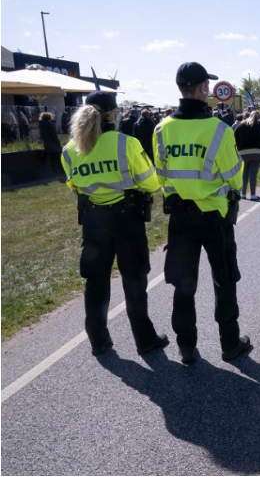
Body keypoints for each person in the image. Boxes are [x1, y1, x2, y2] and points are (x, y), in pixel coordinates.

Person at [153, 62, 251, 364]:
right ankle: (229, 344)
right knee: (224, 281)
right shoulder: (219, 129)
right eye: (206, 85)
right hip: (215, 218)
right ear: (202, 88)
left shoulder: (161, 128)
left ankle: (186, 347)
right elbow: (234, 175)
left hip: (180, 218)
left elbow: (161, 175)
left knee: (183, 285)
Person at [61, 90, 168, 357]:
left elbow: (74, 185)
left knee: (96, 282)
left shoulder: (70, 150)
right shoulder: (126, 143)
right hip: (126, 219)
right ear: (112, 115)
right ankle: (145, 340)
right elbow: (151, 182)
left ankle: (98, 341)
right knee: (134, 280)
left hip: (94, 220)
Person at [234, 110, 260, 200]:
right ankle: (253, 195)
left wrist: (237, 149)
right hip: (258, 152)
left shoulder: (240, 126)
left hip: (243, 152)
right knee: (253, 173)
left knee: (244, 174)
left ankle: (243, 194)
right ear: (258, 118)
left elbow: (234, 137)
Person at [39, 112, 64, 178]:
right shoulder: (49, 125)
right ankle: (62, 172)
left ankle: (56, 174)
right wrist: (58, 142)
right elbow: (54, 135)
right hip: (54, 145)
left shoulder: (41, 126)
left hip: (47, 145)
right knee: (59, 160)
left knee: (52, 161)